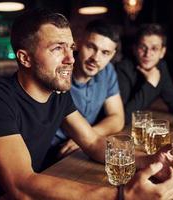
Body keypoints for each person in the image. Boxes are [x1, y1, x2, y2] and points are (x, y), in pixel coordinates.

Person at [0, 9, 173, 200]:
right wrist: (123, 195)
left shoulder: (58, 94)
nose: (71, 58)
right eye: (57, 48)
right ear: (25, 58)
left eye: (71, 47)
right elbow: (21, 185)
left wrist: (147, 160)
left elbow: (94, 142)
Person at [48, 19, 124, 161]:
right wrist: (86, 139)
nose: (96, 58)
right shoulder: (59, 73)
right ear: (78, 42)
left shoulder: (107, 71)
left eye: (105, 52)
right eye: (91, 47)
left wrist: (86, 137)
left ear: (112, 55)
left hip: (83, 148)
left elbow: (117, 118)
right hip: (53, 154)